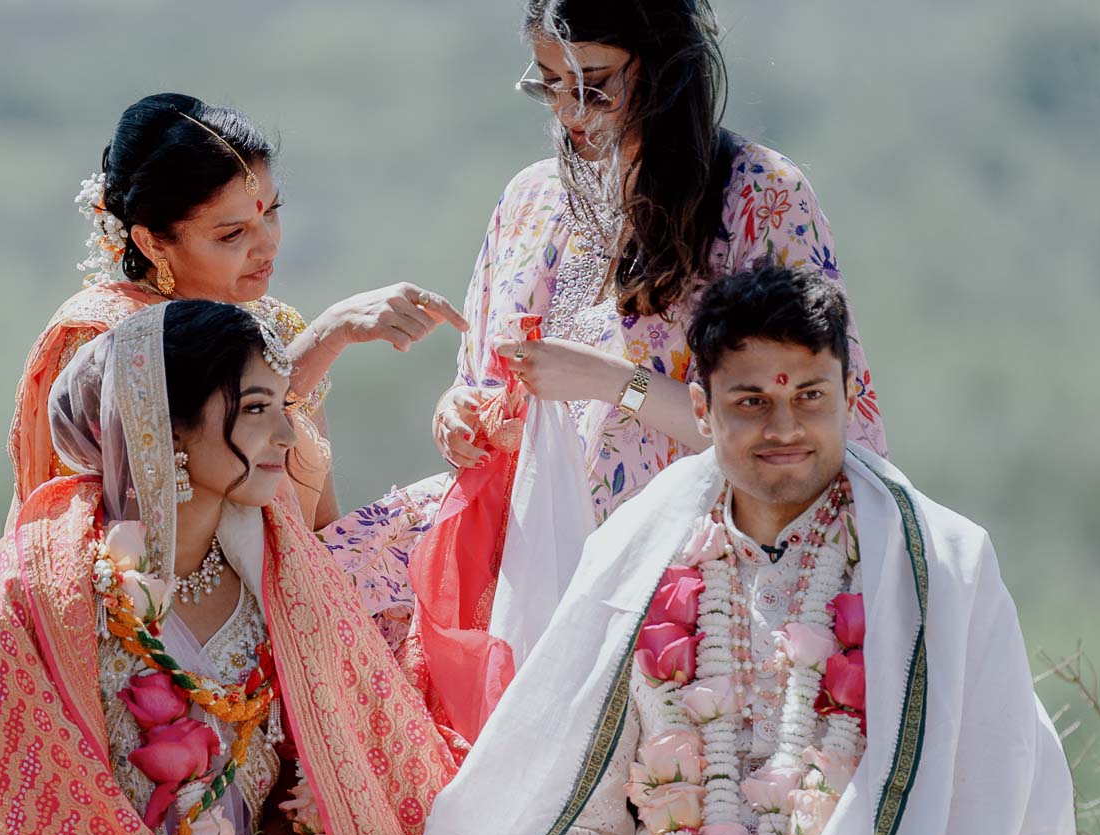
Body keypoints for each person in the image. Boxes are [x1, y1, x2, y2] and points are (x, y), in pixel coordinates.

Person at [423, 265, 1075, 835]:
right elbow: (576, 819)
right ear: (701, 409)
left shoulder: (936, 569)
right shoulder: (637, 561)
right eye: (752, 401)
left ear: (847, 398)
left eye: (810, 397)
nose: (785, 427)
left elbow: (989, 817)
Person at [328, 0, 889, 739]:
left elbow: (815, 427)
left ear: (662, 64)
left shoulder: (758, 197)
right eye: (550, 86)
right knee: (327, 588)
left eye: (593, 85)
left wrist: (604, 381)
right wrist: (460, 415)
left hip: (682, 549)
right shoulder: (529, 199)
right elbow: (477, 380)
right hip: (517, 535)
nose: (570, 113)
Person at [0, 301, 463, 835]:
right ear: (164, 424)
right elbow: (18, 821)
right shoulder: (45, 579)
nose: (289, 434)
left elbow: (335, 758)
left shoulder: (281, 570)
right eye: (257, 408)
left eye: (283, 407)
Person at [9, 92, 467, 531]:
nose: (267, 245)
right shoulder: (102, 337)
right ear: (151, 241)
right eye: (232, 234)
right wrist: (324, 340)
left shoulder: (277, 323)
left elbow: (318, 527)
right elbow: (118, 536)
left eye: (272, 212)